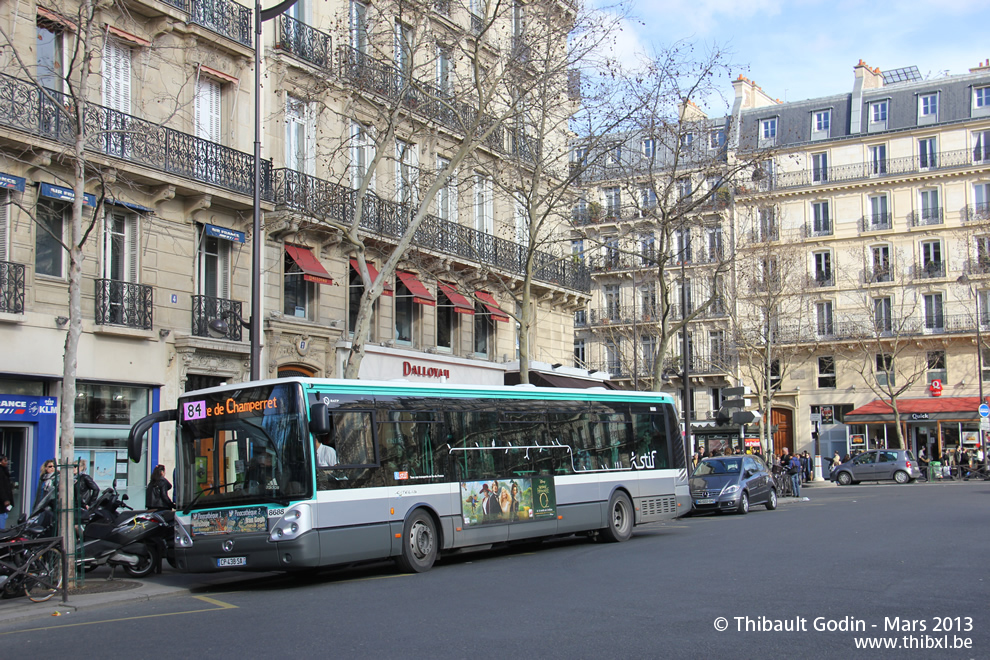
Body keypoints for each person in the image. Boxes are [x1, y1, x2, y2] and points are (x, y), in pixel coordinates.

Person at [0, 454, 12, 529]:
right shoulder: (1, 471)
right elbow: (1, 487)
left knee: (5, 514)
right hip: (2, 503)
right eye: (5, 460)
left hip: (4, 504)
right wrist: (5, 499)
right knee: (2, 516)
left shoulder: (4, 470)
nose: (6, 462)